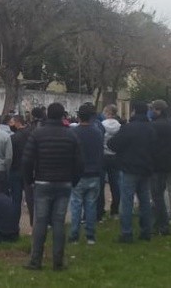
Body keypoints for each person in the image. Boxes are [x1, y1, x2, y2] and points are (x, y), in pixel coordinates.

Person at [22, 102, 83, 271]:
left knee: (40, 221)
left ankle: (35, 261)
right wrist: (73, 181)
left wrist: (29, 180)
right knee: (58, 222)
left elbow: (27, 160)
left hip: (42, 182)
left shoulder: (37, 134)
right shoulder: (71, 136)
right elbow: (79, 163)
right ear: (63, 115)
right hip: (64, 183)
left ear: (48, 114)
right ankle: (58, 261)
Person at [108, 101, 155, 243]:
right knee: (145, 200)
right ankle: (146, 231)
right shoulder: (151, 129)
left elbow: (113, 144)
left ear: (134, 111)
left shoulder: (128, 128)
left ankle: (126, 232)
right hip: (146, 168)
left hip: (129, 168)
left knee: (127, 201)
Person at [68, 103, 104, 244]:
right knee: (91, 205)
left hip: (78, 174)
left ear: (78, 116)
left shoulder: (73, 132)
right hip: (94, 172)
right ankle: (90, 235)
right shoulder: (98, 132)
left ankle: (74, 235)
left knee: (76, 205)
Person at [149, 99, 171, 236]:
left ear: (158, 110)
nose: (151, 111)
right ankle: (157, 224)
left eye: (153, 109)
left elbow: (151, 145)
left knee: (157, 196)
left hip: (158, 164)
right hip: (170, 163)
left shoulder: (155, 125)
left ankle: (163, 225)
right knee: (162, 193)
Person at [99, 104, 122, 221]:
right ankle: (115, 211)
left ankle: (101, 210)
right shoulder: (119, 126)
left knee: (101, 184)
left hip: (103, 155)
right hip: (115, 156)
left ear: (107, 112)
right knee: (115, 184)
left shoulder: (101, 125)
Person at [8, 115, 32, 226]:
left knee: (16, 199)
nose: (10, 124)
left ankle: (14, 224)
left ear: (17, 123)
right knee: (30, 199)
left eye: (12, 122)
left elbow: (9, 156)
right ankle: (33, 224)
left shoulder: (13, 138)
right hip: (29, 170)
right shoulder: (31, 135)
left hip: (15, 170)